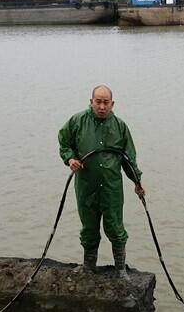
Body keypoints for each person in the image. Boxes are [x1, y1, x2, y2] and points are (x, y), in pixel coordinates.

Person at [58, 85, 145, 279]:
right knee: (89, 227)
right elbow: (64, 142)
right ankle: (89, 266)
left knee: (115, 227)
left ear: (112, 104)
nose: (102, 106)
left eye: (106, 102)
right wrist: (70, 159)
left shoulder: (120, 127)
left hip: (112, 188)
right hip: (85, 186)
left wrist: (137, 183)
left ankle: (121, 269)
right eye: (98, 101)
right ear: (91, 102)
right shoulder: (77, 121)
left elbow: (129, 158)